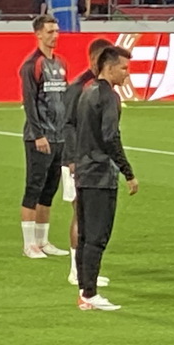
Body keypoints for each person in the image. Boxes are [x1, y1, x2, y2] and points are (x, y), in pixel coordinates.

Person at [74, 46, 139, 311]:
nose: (127, 73)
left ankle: (83, 289)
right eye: (123, 68)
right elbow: (111, 137)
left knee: (86, 236)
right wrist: (128, 172)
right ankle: (90, 293)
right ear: (109, 67)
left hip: (84, 171)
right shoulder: (109, 97)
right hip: (100, 174)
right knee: (98, 236)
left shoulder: (86, 92)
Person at [62, 38, 115, 287]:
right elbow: (69, 124)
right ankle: (76, 270)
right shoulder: (79, 87)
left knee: (87, 216)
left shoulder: (96, 86)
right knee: (80, 214)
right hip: (77, 161)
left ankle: (85, 271)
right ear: (95, 59)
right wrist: (73, 158)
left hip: (90, 161)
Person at [19, 15, 70, 259]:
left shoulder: (61, 63)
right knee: (34, 187)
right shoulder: (32, 65)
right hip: (39, 137)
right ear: (38, 34)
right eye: (50, 31)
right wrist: (38, 134)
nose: (55, 35)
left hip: (59, 136)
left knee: (50, 189)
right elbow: (29, 103)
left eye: (57, 31)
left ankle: (43, 240)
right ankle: (29, 243)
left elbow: (65, 99)